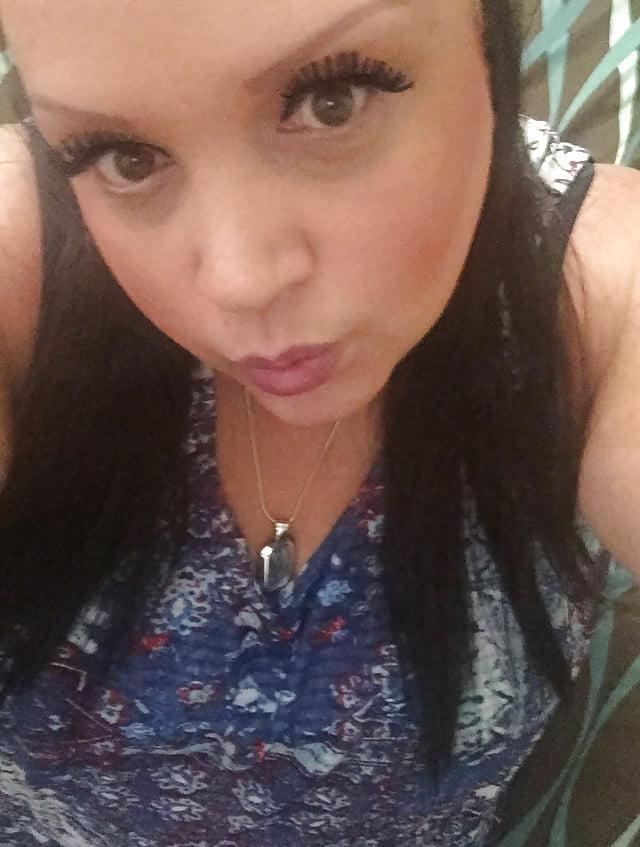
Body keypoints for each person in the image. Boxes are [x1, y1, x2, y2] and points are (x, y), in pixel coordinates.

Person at [0, 1, 638, 844]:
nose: (239, 280)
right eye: (124, 156)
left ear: (487, 42)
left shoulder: (596, 288)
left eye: (331, 101)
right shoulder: (26, 250)